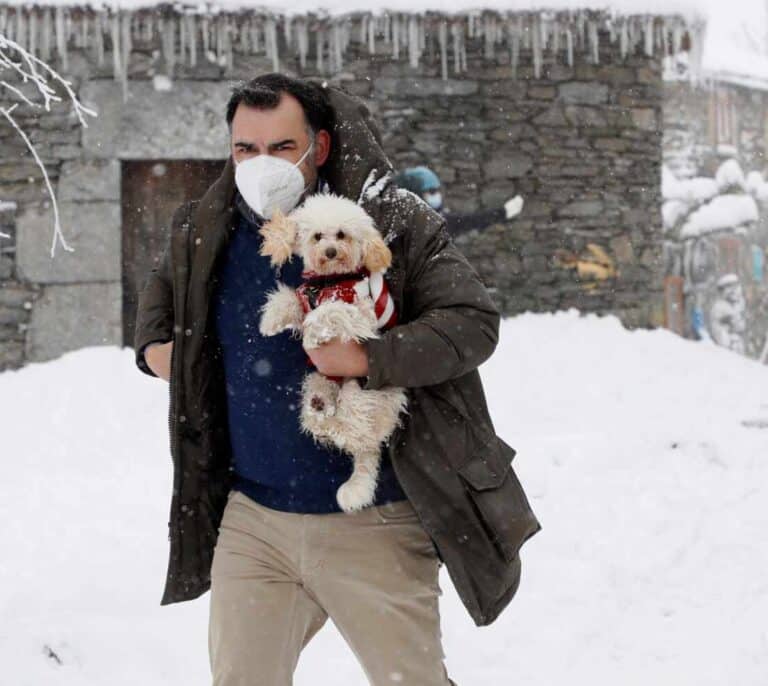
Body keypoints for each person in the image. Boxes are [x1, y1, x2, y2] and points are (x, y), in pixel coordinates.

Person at [134, 73, 540, 685]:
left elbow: (472, 322)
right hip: (254, 521)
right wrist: (155, 351)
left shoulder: (391, 222)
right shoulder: (205, 226)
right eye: (246, 148)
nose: (262, 164)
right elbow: (162, 293)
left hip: (375, 522)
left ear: (319, 147)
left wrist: (370, 358)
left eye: (281, 147)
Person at [393, 165, 524, 238]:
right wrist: (503, 213)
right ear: (416, 194)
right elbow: (471, 221)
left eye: (438, 190)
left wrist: (503, 213)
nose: (437, 195)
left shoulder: (438, 221)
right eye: (432, 191)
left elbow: (471, 220)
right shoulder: (404, 227)